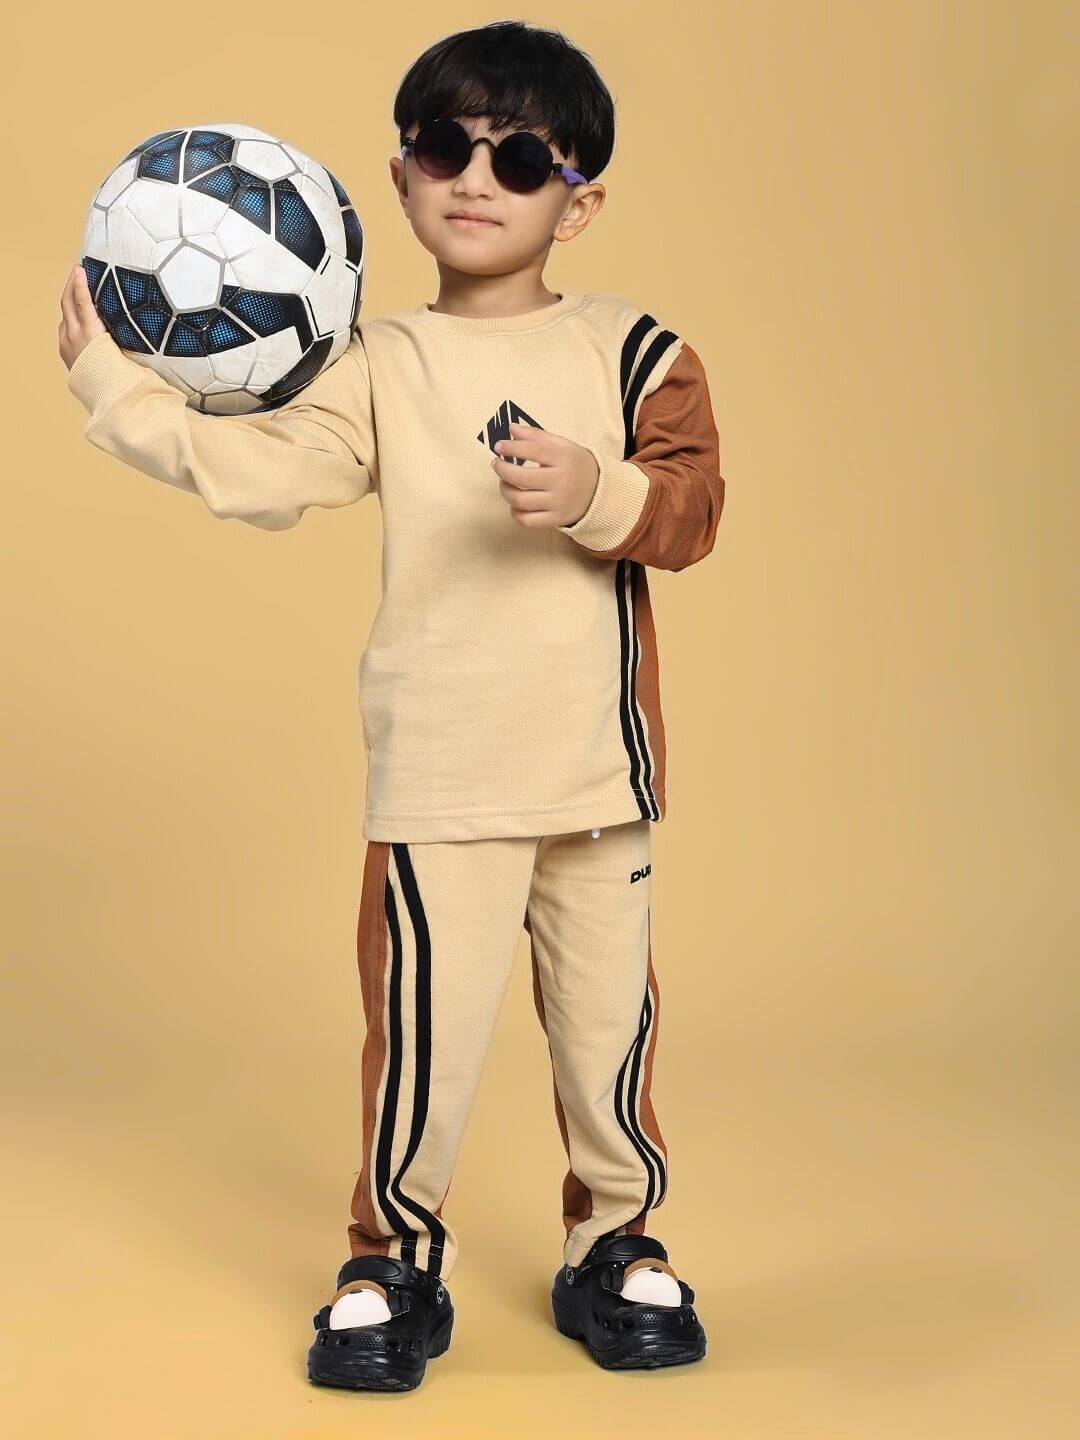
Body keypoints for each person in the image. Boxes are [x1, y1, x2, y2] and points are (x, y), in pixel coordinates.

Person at [59, 19, 725, 1391]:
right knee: (423, 1038)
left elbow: (693, 509)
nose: (478, 178)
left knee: (609, 1031)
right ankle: (392, 1256)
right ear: (400, 179)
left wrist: (595, 493)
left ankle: (619, 1239)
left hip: (599, 779)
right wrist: (114, 393)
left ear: (580, 198)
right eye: (444, 149)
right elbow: (267, 474)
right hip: (442, 777)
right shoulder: (376, 362)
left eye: (523, 157)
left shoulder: (638, 350)